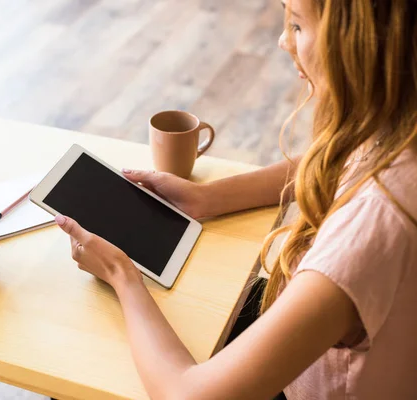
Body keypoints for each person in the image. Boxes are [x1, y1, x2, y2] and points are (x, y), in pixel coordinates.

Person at [55, 0, 417, 398]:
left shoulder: (369, 231)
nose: (283, 40)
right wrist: (211, 198)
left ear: (365, 46)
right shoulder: (398, 129)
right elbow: (344, 157)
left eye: (297, 25)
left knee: (81, 372)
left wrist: (122, 275)